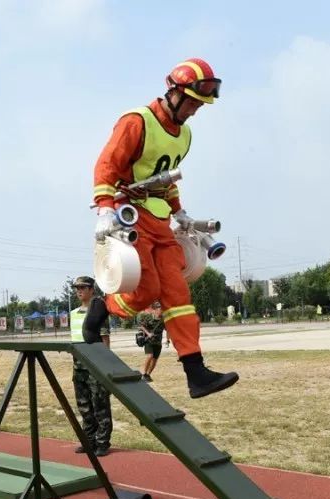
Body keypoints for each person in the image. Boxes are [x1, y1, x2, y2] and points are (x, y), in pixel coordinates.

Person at [89, 58, 238, 399]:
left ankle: (195, 372)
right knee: (144, 290)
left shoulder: (184, 135)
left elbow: (166, 179)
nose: (195, 111)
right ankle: (103, 308)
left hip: (160, 221)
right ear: (173, 92)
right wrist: (105, 210)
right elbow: (107, 165)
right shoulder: (136, 122)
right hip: (130, 217)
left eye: (201, 106)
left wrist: (180, 212)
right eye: (192, 103)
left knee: (178, 295)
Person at [69, 276, 112, 457]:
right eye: (77, 288)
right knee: (84, 406)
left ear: (91, 289)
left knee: (100, 405)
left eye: (83, 287)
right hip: (78, 366)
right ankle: (88, 441)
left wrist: (105, 365)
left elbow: (105, 340)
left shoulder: (98, 311)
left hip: (95, 365)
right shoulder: (73, 313)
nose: (79, 291)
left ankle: (102, 443)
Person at [138, 301, 170, 382]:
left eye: (162, 309)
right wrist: (148, 333)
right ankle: (144, 374)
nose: (161, 311)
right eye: (159, 309)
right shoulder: (149, 317)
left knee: (155, 359)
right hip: (149, 341)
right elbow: (141, 326)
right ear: (155, 310)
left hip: (158, 342)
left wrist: (167, 340)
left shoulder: (163, 320)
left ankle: (148, 375)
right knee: (150, 356)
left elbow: (168, 330)